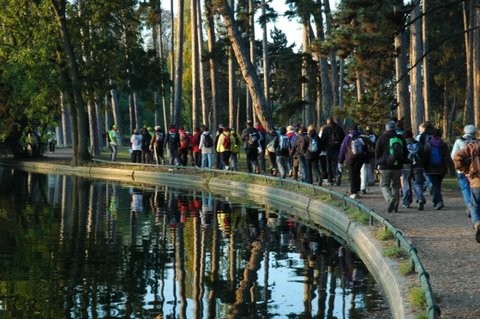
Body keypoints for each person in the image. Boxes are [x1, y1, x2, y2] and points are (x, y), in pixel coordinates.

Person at [375, 120, 408, 212]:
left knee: (384, 185)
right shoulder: (400, 138)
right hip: (397, 166)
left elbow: (377, 152)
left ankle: (390, 199)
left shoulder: (381, 138)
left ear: (386, 128)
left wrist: (377, 164)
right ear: (395, 128)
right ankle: (395, 207)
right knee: (396, 186)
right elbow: (405, 152)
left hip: (385, 166)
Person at [453, 139, 480, 243]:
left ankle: (477, 223)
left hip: (477, 180)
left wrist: (465, 170)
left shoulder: (473, 146)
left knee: (475, 205)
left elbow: (457, 156)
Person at [451, 124, 477, 215]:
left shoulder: (459, 141)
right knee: (474, 189)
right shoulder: (476, 142)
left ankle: (470, 207)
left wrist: (460, 168)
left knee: (465, 188)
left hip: (461, 170)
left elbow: (453, 155)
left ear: (464, 132)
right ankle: (474, 208)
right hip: (474, 169)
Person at [423, 128, 451, 210]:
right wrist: (451, 170)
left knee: (435, 185)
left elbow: (425, 158)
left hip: (431, 169)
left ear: (432, 135)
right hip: (442, 169)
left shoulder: (428, 145)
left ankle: (439, 202)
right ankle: (436, 201)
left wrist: (424, 168)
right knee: (437, 185)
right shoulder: (444, 145)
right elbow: (448, 158)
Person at [338, 125, 366, 199]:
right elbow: (365, 149)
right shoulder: (360, 137)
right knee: (357, 173)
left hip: (350, 159)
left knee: (352, 174)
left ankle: (353, 192)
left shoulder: (348, 137)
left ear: (350, 130)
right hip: (360, 159)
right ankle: (357, 191)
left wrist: (340, 161)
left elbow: (343, 149)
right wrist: (366, 160)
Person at [401, 129, 426, 210]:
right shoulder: (418, 144)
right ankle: (420, 199)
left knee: (406, 184)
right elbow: (423, 154)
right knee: (417, 184)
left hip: (406, 166)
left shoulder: (402, 144)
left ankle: (406, 202)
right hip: (418, 166)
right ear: (412, 135)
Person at [320, 118, 345, 186]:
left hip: (329, 148)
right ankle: (337, 175)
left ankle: (330, 179)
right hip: (338, 148)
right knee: (337, 163)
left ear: (328, 122)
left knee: (329, 164)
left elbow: (322, 139)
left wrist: (324, 147)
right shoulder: (339, 128)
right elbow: (343, 138)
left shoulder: (326, 129)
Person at [360, 126, 376, 193]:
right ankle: (370, 180)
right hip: (371, 154)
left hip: (364, 155)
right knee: (370, 168)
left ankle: (364, 184)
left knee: (364, 170)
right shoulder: (374, 136)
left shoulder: (362, 137)